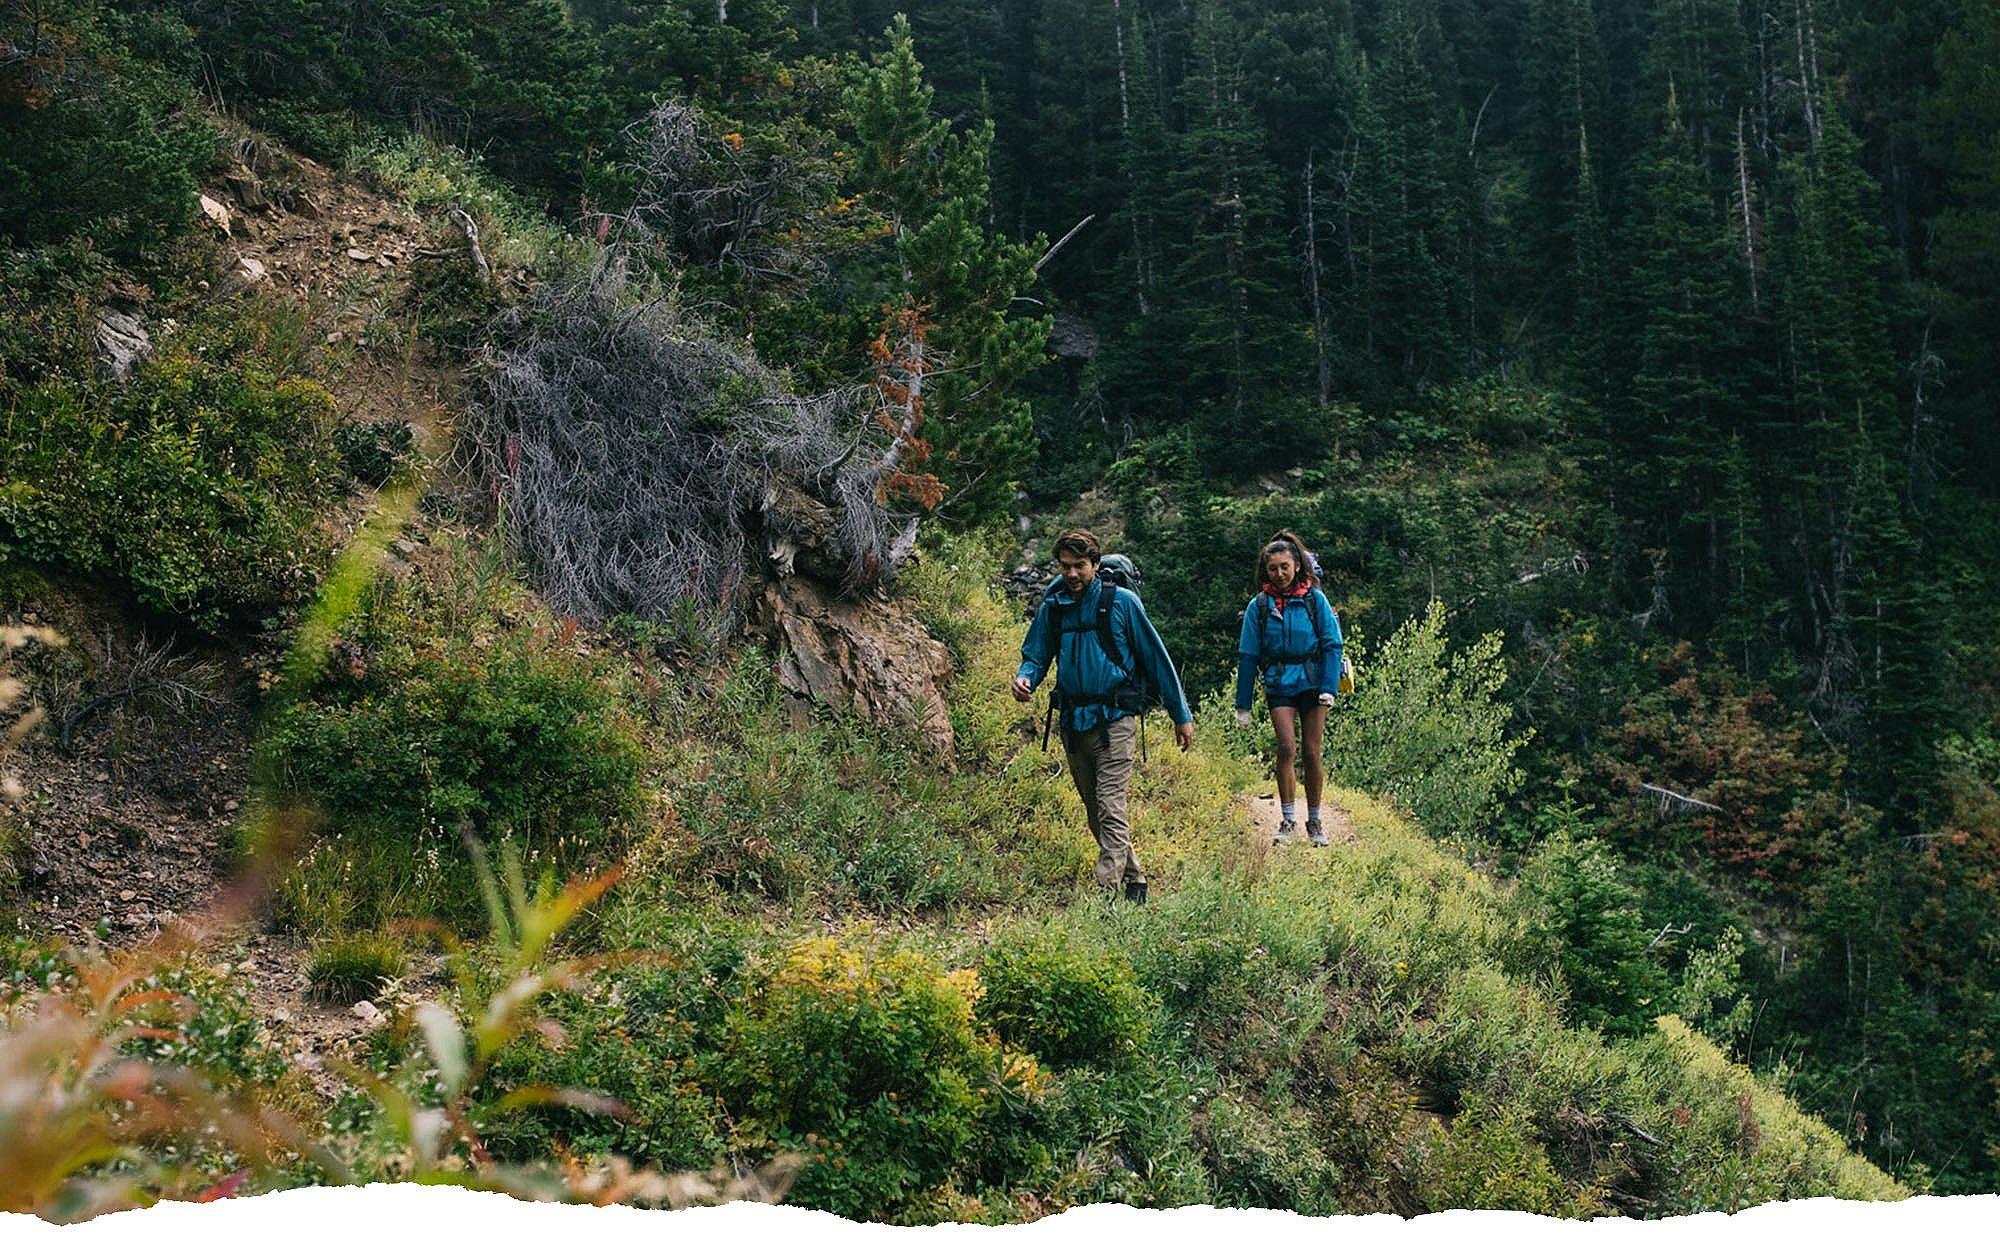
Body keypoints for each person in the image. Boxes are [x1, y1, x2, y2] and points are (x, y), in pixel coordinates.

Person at [1013, 529, 1195, 903]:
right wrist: (1025, 678)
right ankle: (1136, 879)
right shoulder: (1054, 604)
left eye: (1080, 566)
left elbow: (1156, 660)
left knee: (1111, 805)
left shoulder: (1123, 604)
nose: (1073, 574)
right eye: (1066, 567)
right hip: (1072, 721)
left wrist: (1181, 714)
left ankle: (1106, 895)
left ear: (1095, 564)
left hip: (1114, 721)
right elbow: (1036, 653)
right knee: (1095, 810)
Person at [1232, 530, 1343, 846]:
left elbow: (1332, 643)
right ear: (1265, 570)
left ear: (1297, 566)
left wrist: (1329, 686)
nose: (1279, 574)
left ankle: (1316, 820)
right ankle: (1288, 819)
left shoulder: (1314, 600)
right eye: (1273, 568)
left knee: (1311, 751)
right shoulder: (1260, 606)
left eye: (1285, 567)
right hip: (1280, 682)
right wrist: (1243, 705)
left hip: (1313, 681)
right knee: (1286, 747)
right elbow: (1249, 654)